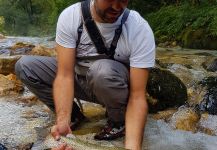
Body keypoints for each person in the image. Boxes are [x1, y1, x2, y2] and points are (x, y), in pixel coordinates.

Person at [15, 0, 155, 149]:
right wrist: (63, 120)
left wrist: (132, 147)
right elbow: (64, 75)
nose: (116, 6)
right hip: (79, 79)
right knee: (25, 66)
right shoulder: (71, 17)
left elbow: (137, 97)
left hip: (113, 86)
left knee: (101, 71)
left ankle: (119, 122)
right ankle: (74, 117)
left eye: (123, 0)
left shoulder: (138, 28)